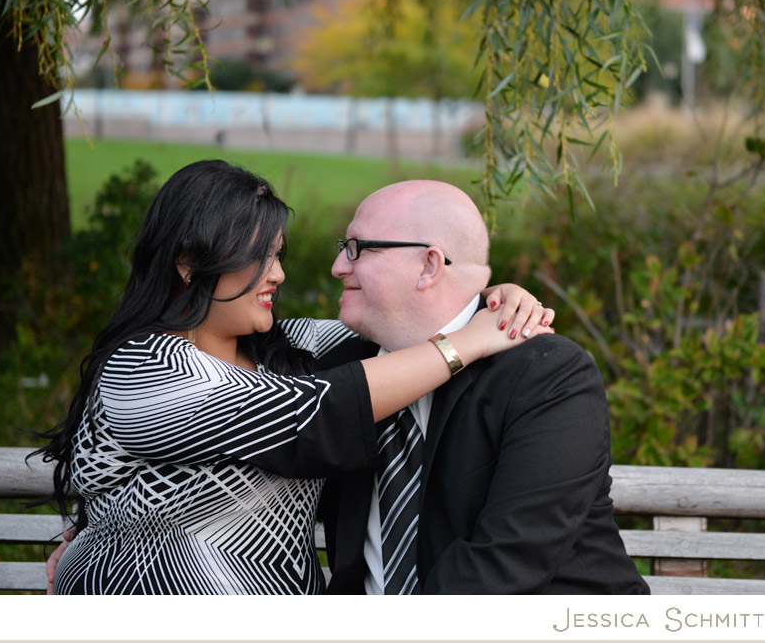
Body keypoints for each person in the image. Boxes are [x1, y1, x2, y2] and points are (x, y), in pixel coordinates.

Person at [39, 160, 553, 595]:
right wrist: (469, 341)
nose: (278, 274)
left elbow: (412, 320)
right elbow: (317, 413)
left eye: (278, 254)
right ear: (190, 262)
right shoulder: (141, 368)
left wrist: (493, 294)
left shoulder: (299, 348)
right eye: (259, 255)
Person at [315, 180, 649, 594]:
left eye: (359, 248)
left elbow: (507, 560)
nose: (339, 267)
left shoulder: (546, 375)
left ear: (429, 266)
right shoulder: (338, 371)